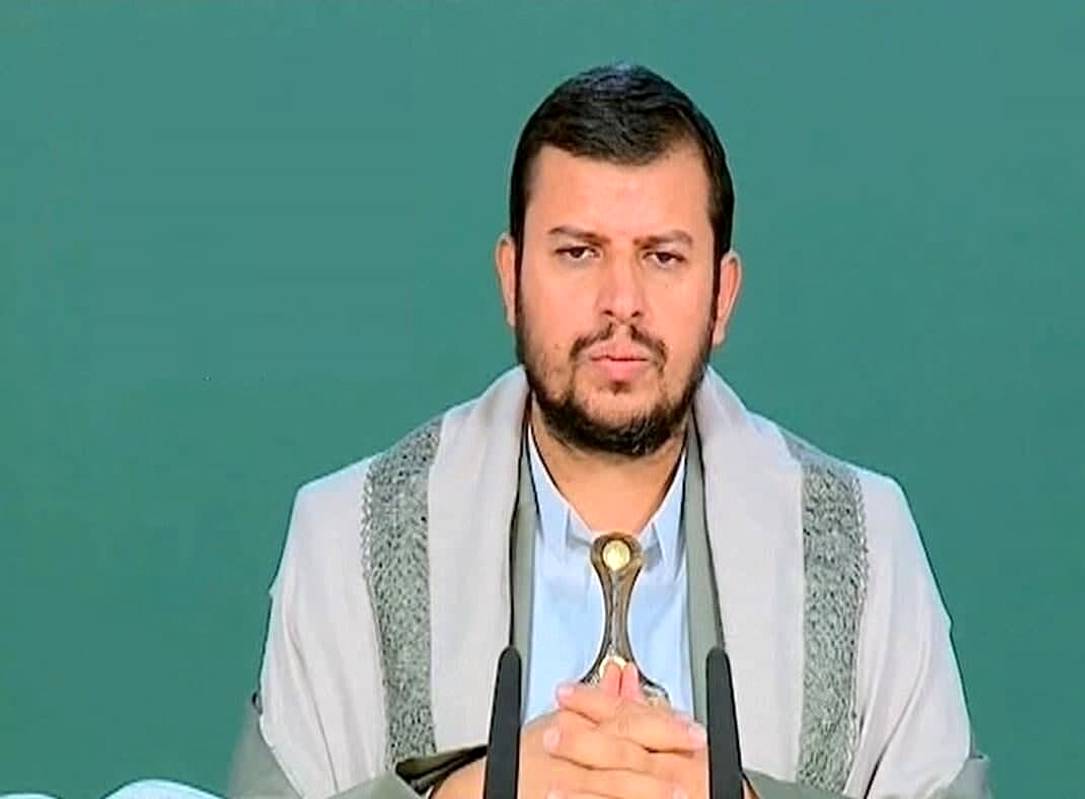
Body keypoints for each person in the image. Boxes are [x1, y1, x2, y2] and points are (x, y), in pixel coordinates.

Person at [229, 63, 991, 799]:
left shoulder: (866, 540)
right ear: (511, 280)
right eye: (578, 252)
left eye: (662, 256)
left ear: (722, 296)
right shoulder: (347, 539)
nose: (620, 302)